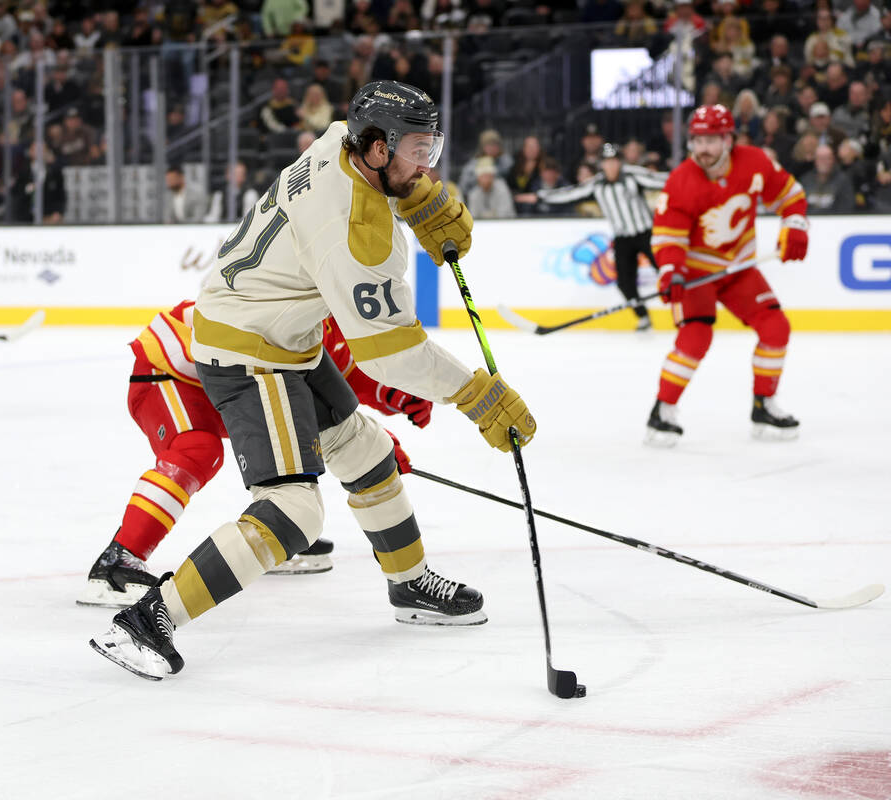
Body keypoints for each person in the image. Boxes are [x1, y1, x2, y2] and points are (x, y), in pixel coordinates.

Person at [90, 81, 536, 680]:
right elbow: (389, 354)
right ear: (376, 148)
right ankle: (147, 620)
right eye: (417, 151)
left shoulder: (338, 142)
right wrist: (475, 395)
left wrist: (411, 198)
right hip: (250, 347)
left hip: (275, 326)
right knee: (294, 512)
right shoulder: (355, 234)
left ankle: (408, 585)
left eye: (432, 149)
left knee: (366, 449)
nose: (428, 165)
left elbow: (365, 206)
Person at [77, 301, 434, 607]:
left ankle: (275, 536)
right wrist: (376, 449)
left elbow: (338, 382)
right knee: (196, 450)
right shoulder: (304, 306)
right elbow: (317, 398)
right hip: (170, 371)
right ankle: (117, 562)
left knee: (285, 446)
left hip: (228, 379)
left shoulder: (333, 319)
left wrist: (393, 397)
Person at [646, 105, 808, 447]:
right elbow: (668, 238)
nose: (702, 149)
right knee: (696, 337)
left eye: (711, 140)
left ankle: (763, 406)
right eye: (696, 140)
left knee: (776, 326)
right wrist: (671, 272)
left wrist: (794, 224)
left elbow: (789, 195)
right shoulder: (680, 182)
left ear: (729, 139)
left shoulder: (755, 163)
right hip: (696, 274)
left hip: (738, 268)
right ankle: (662, 412)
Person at [519, 143, 668, 331]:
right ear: (601, 165)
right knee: (624, 283)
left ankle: (687, 307)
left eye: (614, 161)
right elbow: (570, 193)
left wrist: (691, 175)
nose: (611, 166)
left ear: (620, 162)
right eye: (607, 162)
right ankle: (643, 316)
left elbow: (661, 180)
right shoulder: (597, 184)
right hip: (622, 238)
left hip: (645, 234)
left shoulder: (633, 175)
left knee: (666, 271)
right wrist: (540, 197)